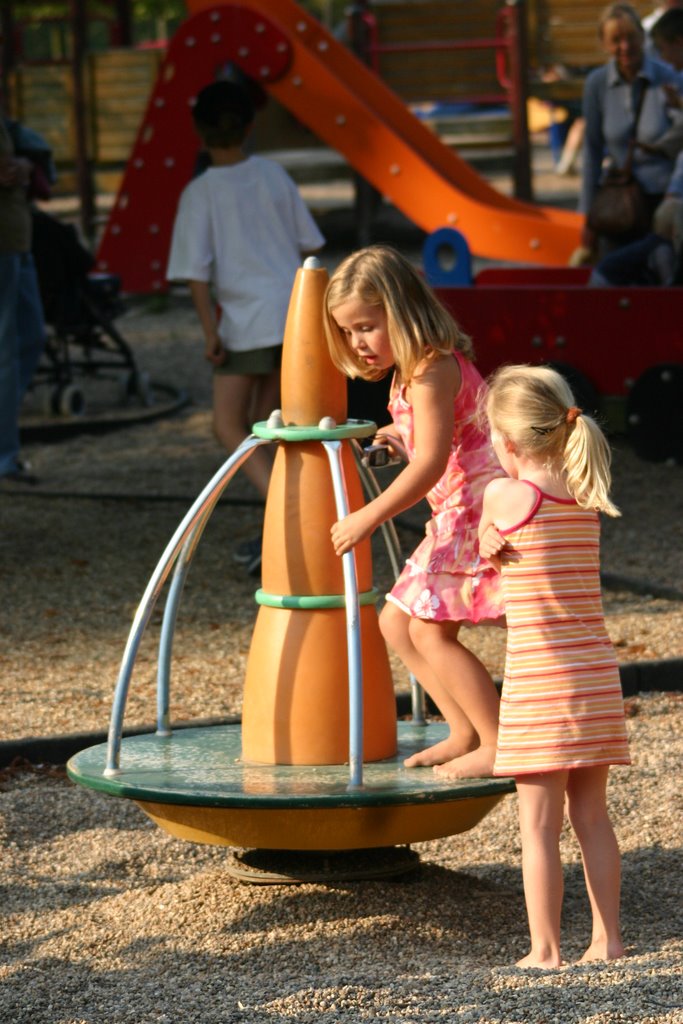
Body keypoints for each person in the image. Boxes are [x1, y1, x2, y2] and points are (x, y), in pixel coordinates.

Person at [323, 245, 505, 779]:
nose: (358, 343)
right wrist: (397, 435)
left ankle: (495, 740)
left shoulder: (431, 369)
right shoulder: (413, 372)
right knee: (395, 624)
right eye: (348, 332)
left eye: (366, 327)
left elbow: (428, 466)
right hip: (456, 508)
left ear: (400, 312)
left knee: (430, 632)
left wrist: (368, 516)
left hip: (475, 509)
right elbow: (432, 438)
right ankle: (463, 729)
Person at [478, 364, 630, 969]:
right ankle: (609, 940)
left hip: (541, 680)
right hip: (595, 674)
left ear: (510, 443)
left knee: (537, 826)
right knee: (592, 814)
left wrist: (487, 532)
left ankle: (545, 949)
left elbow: (486, 533)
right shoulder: (584, 490)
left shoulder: (505, 494)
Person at [167, 80, 324, 574]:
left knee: (228, 425)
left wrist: (209, 331)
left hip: (243, 321)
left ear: (198, 131)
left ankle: (287, 516)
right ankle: (280, 532)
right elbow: (308, 245)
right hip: (292, 314)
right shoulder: (274, 175)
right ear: (250, 125)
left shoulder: (201, 191)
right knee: (269, 426)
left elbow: (196, 272)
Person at [580, 3, 682, 257]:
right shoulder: (597, 84)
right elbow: (592, 150)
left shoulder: (669, 77)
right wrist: (586, 215)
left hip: (661, 200)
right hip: (618, 202)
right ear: (604, 44)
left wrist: (675, 195)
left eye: (631, 38)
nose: (625, 47)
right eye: (616, 40)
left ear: (642, 37)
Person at [0, 116, 47, 485]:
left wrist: (25, 165)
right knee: (5, 352)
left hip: (18, 239)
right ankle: (5, 458)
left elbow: (24, 144)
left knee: (31, 337)